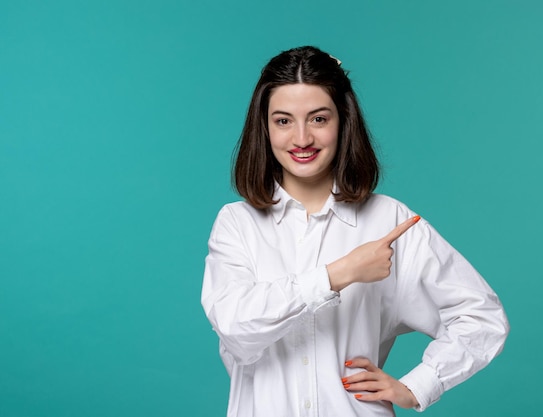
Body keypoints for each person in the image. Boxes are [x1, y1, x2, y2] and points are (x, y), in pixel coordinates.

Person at [201, 45, 509, 416]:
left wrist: (418, 385)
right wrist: (339, 274)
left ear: (343, 121)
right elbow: (235, 327)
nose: (301, 139)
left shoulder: (388, 220)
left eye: (318, 119)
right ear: (264, 128)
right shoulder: (238, 223)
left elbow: (481, 316)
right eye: (283, 121)